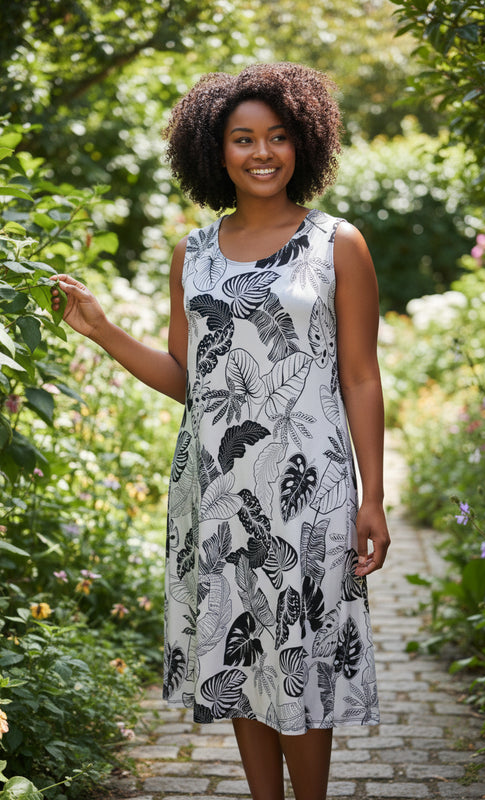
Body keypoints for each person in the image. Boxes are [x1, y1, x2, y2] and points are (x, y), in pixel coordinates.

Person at [51, 62, 390, 800]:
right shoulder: (193, 252)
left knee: (297, 655)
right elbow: (187, 378)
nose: (261, 152)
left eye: (276, 136)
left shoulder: (338, 244)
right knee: (241, 656)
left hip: (312, 487)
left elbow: (360, 376)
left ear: (303, 143)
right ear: (216, 150)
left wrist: (373, 496)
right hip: (216, 487)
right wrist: (103, 330)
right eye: (242, 139)